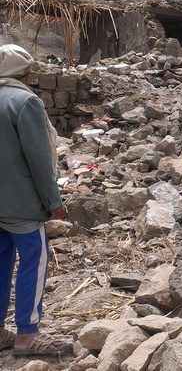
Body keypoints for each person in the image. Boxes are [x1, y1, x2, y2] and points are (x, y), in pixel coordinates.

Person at [0, 44, 73, 357]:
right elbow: (40, 161)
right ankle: (26, 336)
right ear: (25, 71)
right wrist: (53, 201)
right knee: (34, 263)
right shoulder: (25, 102)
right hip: (22, 206)